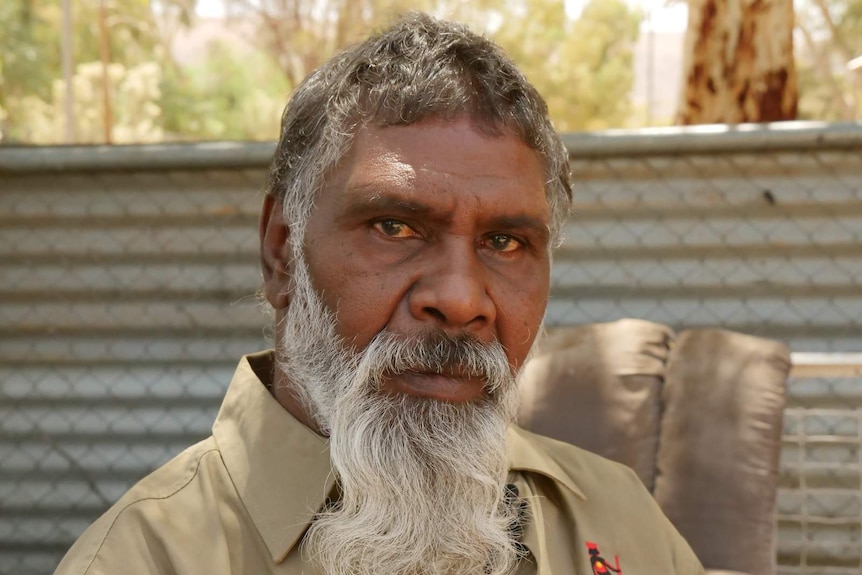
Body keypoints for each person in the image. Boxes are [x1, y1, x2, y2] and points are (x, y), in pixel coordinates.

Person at [55, 12, 703, 575]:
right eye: (395, 227)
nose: (459, 298)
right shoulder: (147, 556)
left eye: (505, 242)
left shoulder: (621, 525)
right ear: (281, 252)